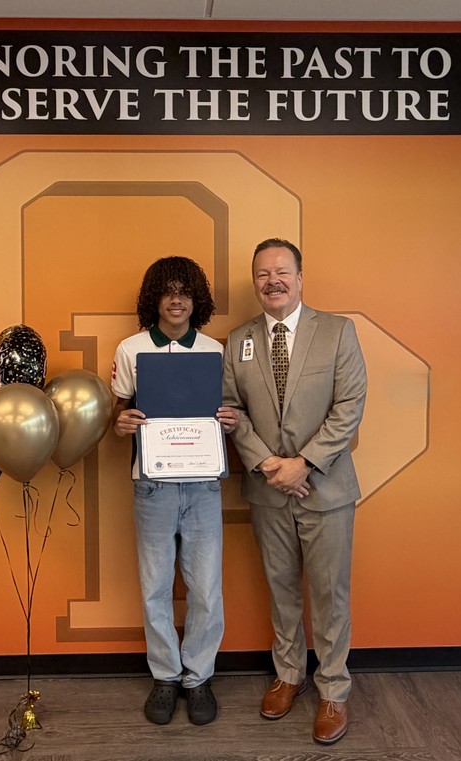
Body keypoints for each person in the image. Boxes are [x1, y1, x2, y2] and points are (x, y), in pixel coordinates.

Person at [222, 238, 367, 745]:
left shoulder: (338, 332)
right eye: (263, 274)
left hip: (325, 489)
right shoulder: (237, 340)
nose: (273, 281)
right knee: (281, 590)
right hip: (267, 490)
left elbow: (349, 406)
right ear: (255, 283)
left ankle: (334, 689)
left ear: (300, 279)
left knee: (330, 595)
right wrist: (269, 464)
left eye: (282, 272)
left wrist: (303, 463)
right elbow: (231, 410)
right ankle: (288, 675)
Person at [111, 256, 240, 726]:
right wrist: (120, 423)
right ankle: (165, 676)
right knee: (155, 587)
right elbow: (116, 411)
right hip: (152, 485)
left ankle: (198, 676)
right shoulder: (131, 349)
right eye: (167, 290)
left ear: (196, 299)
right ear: (154, 298)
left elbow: (230, 409)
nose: (176, 299)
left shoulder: (214, 350)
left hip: (203, 482)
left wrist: (233, 420)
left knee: (205, 587)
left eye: (185, 291)